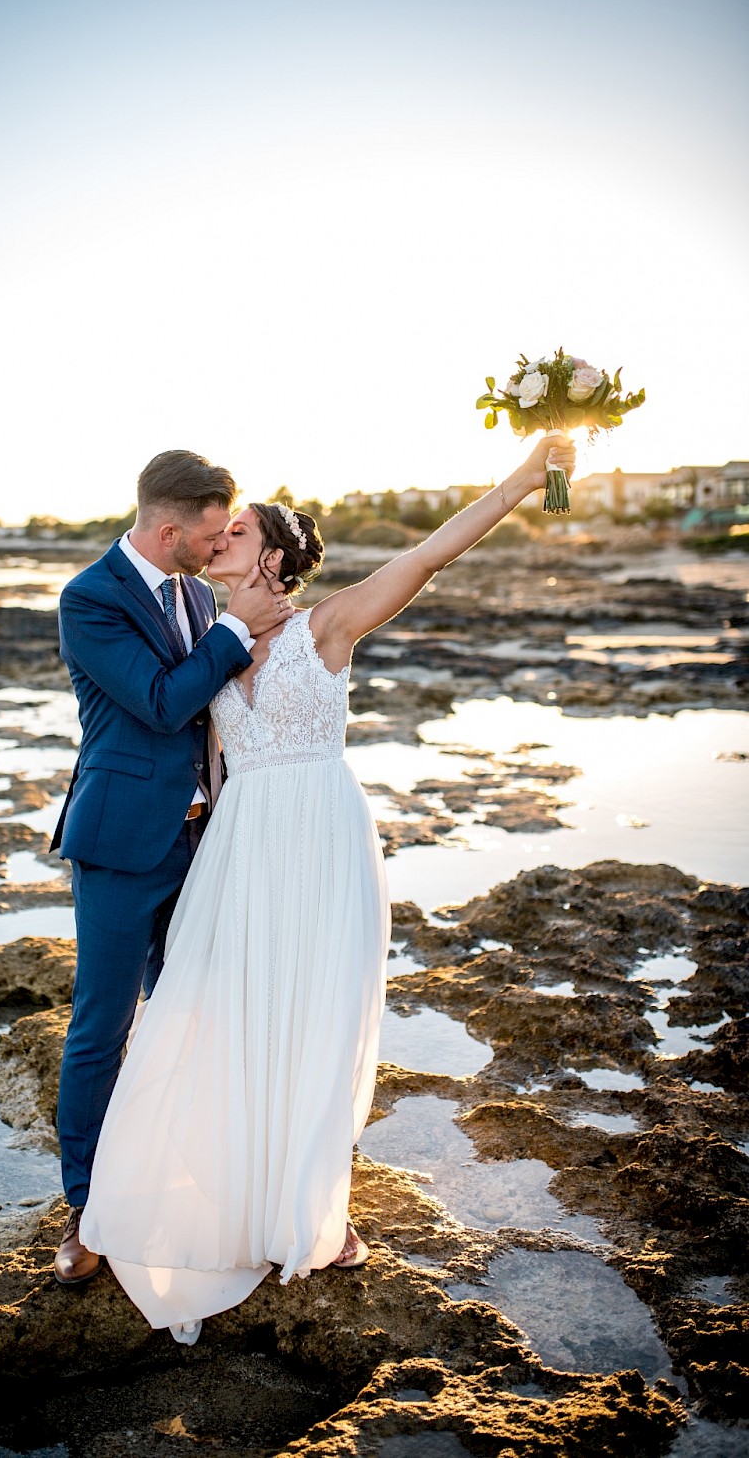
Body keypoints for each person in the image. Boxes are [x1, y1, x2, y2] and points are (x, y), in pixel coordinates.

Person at [74, 432, 576, 1341]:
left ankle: (309, 1206)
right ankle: (200, 1195)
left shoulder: (327, 624)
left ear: (269, 555)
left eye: (238, 530)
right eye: (215, 529)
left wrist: (525, 478)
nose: (218, 536)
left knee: (315, 1017)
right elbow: (211, 761)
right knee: (225, 1012)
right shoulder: (209, 629)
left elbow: (427, 553)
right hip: (238, 848)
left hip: (323, 838)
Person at [49, 450, 292, 1287]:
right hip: (119, 846)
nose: (217, 541)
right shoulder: (90, 599)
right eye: (208, 530)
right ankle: (88, 1210)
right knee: (100, 1031)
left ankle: (208, 1189)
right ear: (168, 528)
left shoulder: (194, 589)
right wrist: (233, 632)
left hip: (201, 847)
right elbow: (161, 702)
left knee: (204, 1020)